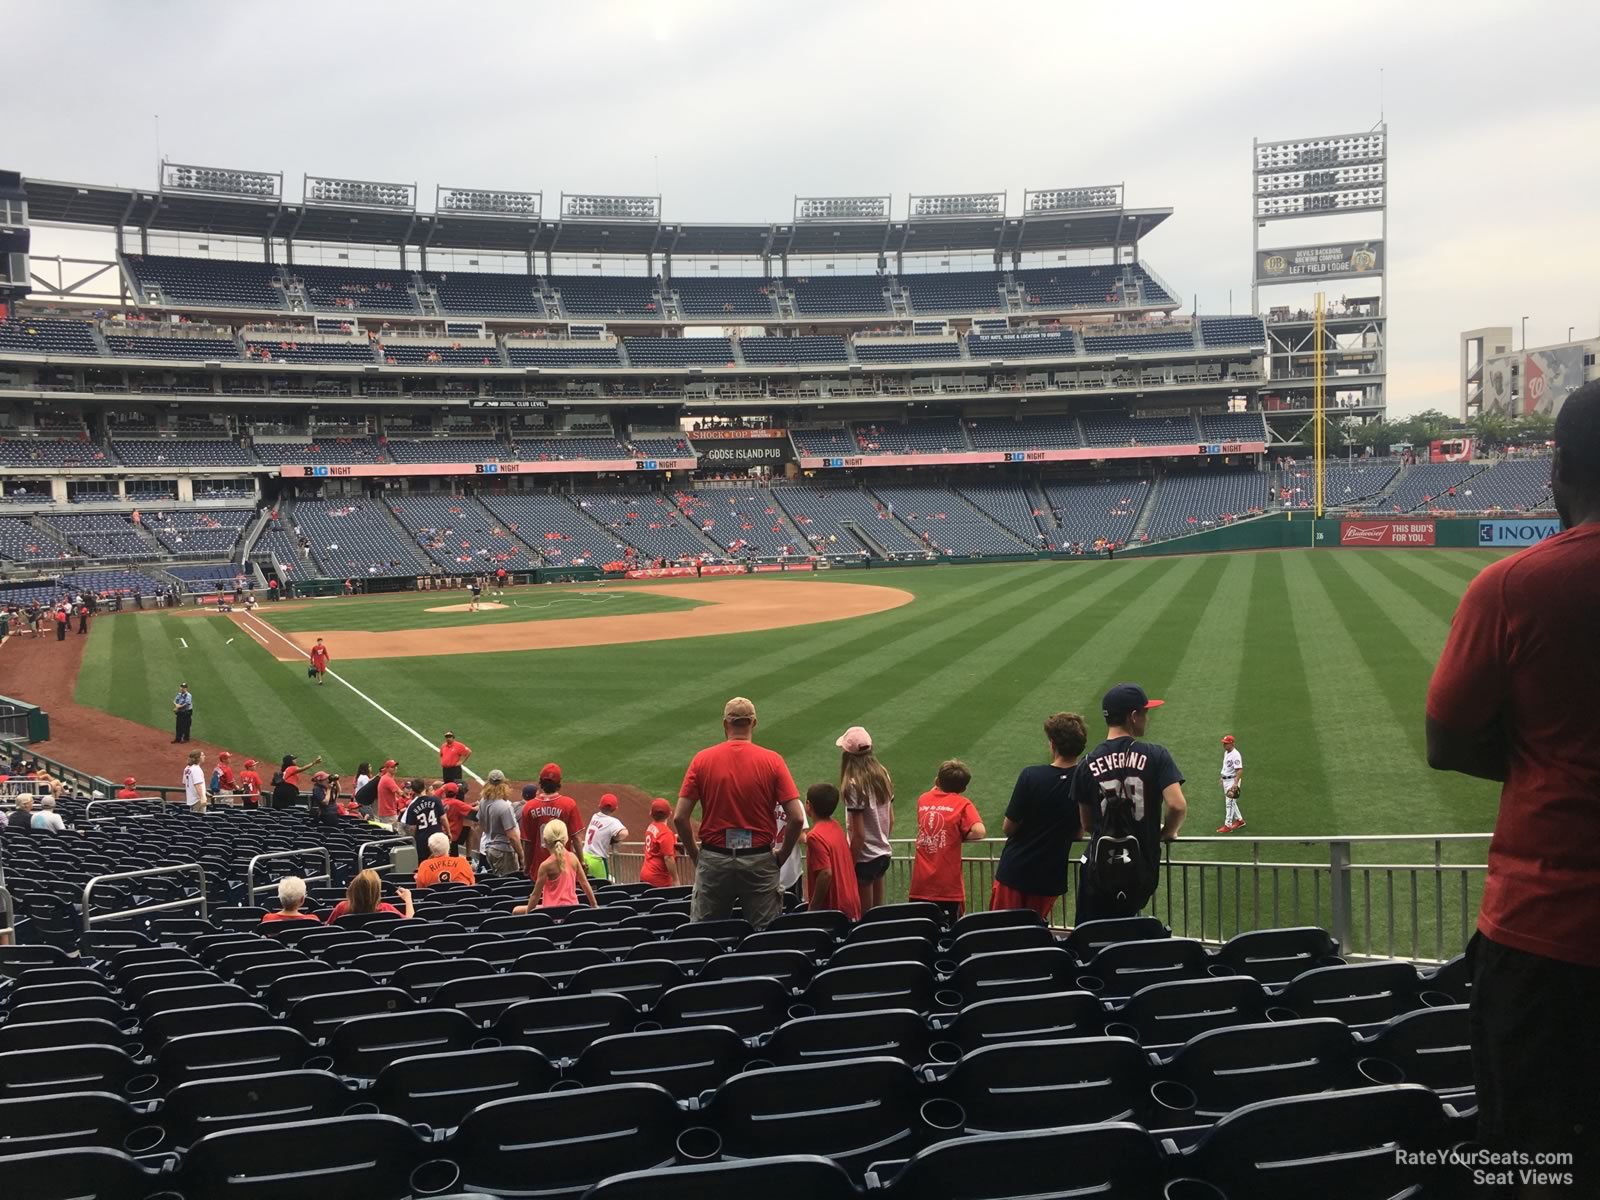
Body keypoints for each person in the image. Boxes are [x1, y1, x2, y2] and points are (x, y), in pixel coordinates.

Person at [1425, 380, 1600, 1173]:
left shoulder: (1515, 585)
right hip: (1547, 931)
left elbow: (1446, 741)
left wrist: (1535, 762)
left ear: (1557, 466)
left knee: (1531, 1158)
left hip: (1549, 930)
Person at [674, 697, 803, 928]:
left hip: (715, 859)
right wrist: (781, 855)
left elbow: (680, 817)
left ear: (725, 724)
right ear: (753, 723)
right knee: (764, 935)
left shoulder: (702, 760)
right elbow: (797, 817)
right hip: (759, 859)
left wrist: (696, 856)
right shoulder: (772, 761)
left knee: (704, 934)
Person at [1071, 685, 1187, 924]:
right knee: (1130, 929)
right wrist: (1166, 832)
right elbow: (1177, 805)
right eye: (1144, 713)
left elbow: (1087, 823)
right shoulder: (1156, 755)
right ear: (1132, 717)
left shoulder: (1086, 763)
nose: (1147, 718)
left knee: (1095, 934)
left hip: (1101, 869)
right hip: (1140, 868)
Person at [993, 713, 1088, 920]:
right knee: (1032, 935)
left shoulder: (1031, 775)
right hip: (1049, 877)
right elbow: (1080, 830)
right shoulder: (1084, 780)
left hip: (1015, 872)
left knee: (1000, 933)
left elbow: (1008, 828)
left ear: (1052, 743)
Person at [910, 760, 987, 923]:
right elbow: (979, 831)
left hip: (920, 885)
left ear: (937, 781)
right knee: (949, 931)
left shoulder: (923, 799)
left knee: (921, 930)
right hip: (947, 887)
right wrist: (959, 834)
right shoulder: (962, 803)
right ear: (963, 788)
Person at [838, 726, 894, 913]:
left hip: (864, 859)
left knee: (864, 917)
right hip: (883, 853)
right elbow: (890, 819)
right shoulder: (883, 774)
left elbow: (859, 835)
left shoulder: (853, 784)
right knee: (878, 915)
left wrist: (848, 865)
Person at [803, 783, 861, 920]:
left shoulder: (814, 836)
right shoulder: (835, 826)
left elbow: (825, 873)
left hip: (833, 909)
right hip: (851, 901)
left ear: (808, 804)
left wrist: (812, 908)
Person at [514, 819, 597, 912]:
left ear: (545, 841)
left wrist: (528, 915)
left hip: (551, 911)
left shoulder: (546, 865)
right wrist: (594, 905)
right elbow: (585, 884)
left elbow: (535, 895)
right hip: (573, 909)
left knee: (516, 911)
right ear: (566, 839)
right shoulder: (573, 858)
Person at [519, 766, 581, 879]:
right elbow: (576, 838)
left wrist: (527, 866)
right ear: (559, 783)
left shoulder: (529, 807)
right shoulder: (569, 804)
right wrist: (581, 862)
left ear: (541, 782)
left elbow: (527, 843)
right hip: (563, 866)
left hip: (538, 868)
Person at [477, 770, 526, 877]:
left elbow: (481, 824)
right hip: (503, 851)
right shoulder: (505, 806)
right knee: (509, 882)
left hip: (489, 848)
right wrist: (521, 855)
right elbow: (512, 836)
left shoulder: (483, 801)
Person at [328, 869, 413, 922]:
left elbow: (329, 928)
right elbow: (409, 922)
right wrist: (408, 899)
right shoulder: (387, 909)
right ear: (376, 892)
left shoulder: (342, 908)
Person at [582, 793, 629, 881]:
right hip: (597, 861)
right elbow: (624, 833)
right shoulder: (612, 822)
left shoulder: (594, 816)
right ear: (615, 809)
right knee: (600, 889)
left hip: (584, 856)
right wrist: (614, 839)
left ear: (599, 805)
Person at [400, 778, 446, 860]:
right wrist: (448, 832)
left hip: (422, 839)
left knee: (424, 862)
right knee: (440, 859)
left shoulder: (412, 806)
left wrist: (415, 839)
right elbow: (443, 818)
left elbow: (412, 828)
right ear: (425, 787)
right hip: (437, 836)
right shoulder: (435, 800)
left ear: (413, 791)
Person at [639, 798, 679, 888]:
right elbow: (668, 858)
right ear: (670, 813)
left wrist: (674, 837)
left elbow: (657, 842)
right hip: (659, 880)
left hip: (645, 876)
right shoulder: (666, 833)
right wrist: (676, 879)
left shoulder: (651, 826)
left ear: (651, 813)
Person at [440, 782, 477, 855]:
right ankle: (469, 858)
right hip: (452, 835)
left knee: (469, 830)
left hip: (441, 834)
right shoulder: (457, 803)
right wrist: (482, 803)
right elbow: (475, 809)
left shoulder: (441, 802)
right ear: (456, 792)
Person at [1218, 734, 1245, 832]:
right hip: (1226, 780)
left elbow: (1239, 769)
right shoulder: (1227, 753)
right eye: (1224, 743)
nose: (1224, 745)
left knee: (1229, 803)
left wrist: (1235, 783)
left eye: (1226, 743)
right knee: (1232, 802)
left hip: (1232, 781)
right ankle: (1240, 820)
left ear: (1232, 744)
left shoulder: (1235, 755)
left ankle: (1228, 825)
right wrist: (1222, 777)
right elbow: (1226, 766)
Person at [375, 758, 404, 828]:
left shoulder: (386, 777)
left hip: (385, 811)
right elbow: (401, 793)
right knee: (394, 831)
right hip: (388, 812)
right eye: (392, 767)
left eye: (395, 766)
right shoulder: (387, 779)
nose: (395, 768)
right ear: (387, 768)